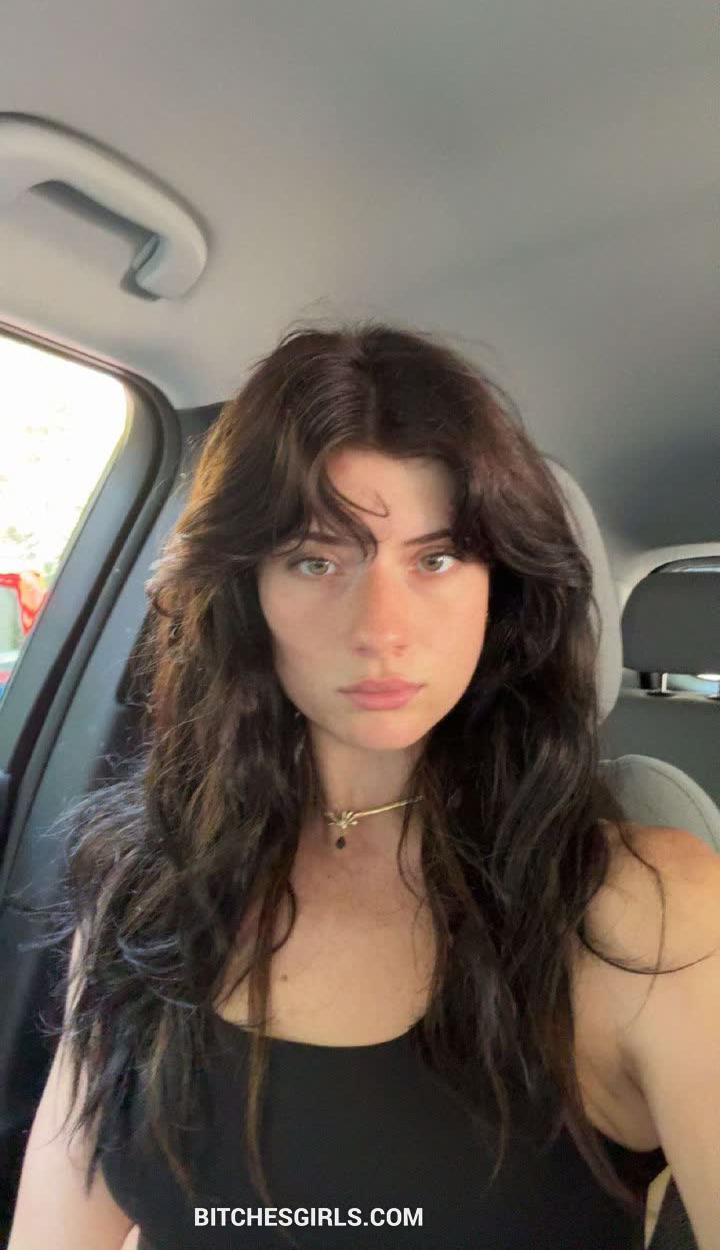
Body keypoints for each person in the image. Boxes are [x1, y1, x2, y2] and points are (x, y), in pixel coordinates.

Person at [7, 320, 707, 1249]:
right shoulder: (141, 886)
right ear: (245, 590)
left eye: (437, 558)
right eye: (316, 559)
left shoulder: (649, 913)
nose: (381, 628)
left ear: (501, 588)